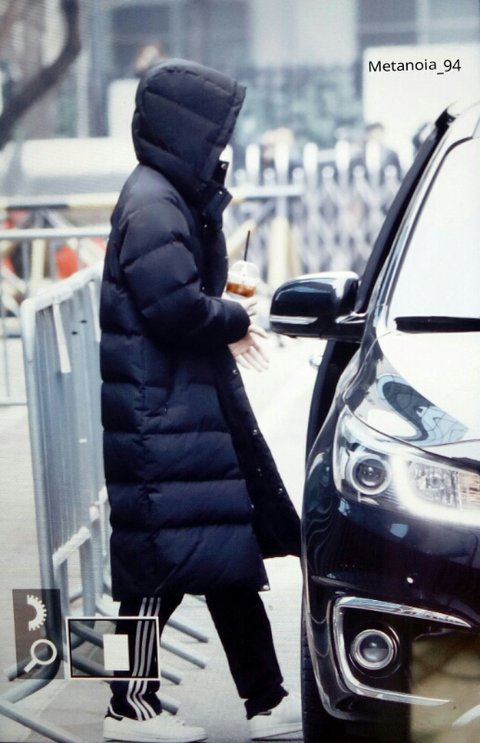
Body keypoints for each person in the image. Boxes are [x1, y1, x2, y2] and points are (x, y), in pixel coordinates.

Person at [99, 58, 302, 743]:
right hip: (159, 417)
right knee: (156, 573)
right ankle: (125, 706)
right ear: (186, 129)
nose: (223, 146)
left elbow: (182, 295)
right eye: (216, 132)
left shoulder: (166, 194)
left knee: (219, 556)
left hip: (175, 409)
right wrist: (233, 318)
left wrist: (222, 294)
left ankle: (265, 702)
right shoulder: (153, 201)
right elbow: (174, 306)